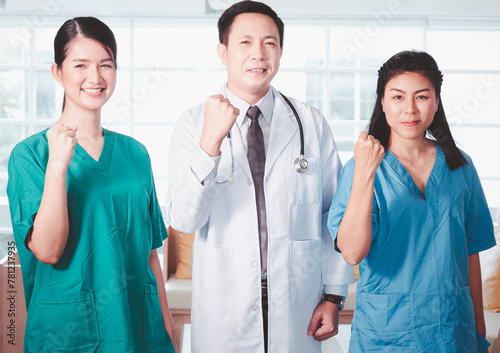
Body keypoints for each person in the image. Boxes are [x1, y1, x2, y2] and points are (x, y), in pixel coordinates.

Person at [165, 1, 354, 352]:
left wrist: (333, 295)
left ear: (280, 51)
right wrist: (210, 144)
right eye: (245, 42)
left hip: (298, 307)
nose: (259, 54)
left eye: (269, 43)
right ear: (222, 51)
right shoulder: (193, 124)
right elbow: (184, 220)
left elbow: (334, 217)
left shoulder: (309, 123)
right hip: (226, 311)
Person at [7, 17, 177, 353]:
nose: (95, 78)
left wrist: (168, 334)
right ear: (58, 72)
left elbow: (150, 255)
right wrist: (58, 167)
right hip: (67, 335)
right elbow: (47, 250)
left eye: (106, 65)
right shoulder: (30, 155)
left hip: (139, 332)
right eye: (80, 65)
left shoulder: (135, 153)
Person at [328, 50, 496, 352]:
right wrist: (367, 170)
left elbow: (470, 254)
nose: (410, 109)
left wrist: (479, 333)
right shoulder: (362, 167)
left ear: (436, 101)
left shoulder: (460, 166)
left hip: (452, 330)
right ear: (382, 101)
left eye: (421, 97)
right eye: (397, 97)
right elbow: (352, 252)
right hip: (386, 332)